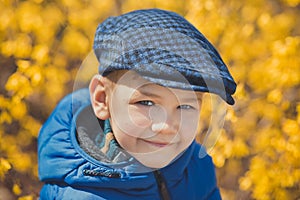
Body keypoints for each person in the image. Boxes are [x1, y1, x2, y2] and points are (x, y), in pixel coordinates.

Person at [38, 8, 236, 200]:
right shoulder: (82, 195)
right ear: (102, 99)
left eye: (185, 107)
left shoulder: (195, 167)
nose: (166, 127)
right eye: (147, 102)